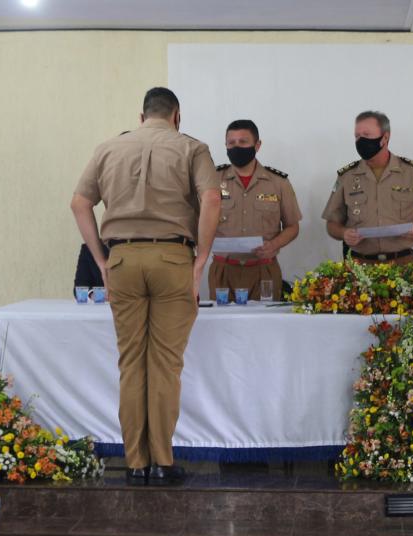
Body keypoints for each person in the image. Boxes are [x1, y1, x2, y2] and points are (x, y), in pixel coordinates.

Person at [70, 87, 221, 485]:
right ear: (177, 116)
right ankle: (162, 462)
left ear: (141, 117)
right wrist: (201, 258)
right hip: (173, 259)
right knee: (166, 366)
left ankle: (135, 464)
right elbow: (211, 199)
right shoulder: (193, 148)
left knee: (131, 364)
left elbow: (79, 203)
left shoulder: (109, 148)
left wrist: (101, 259)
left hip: (122, 258)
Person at [322, 111, 413, 265]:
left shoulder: (412, 173)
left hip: (403, 264)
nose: (360, 141)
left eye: (366, 135)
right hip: (360, 267)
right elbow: (332, 224)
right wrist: (344, 233)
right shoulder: (347, 176)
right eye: (357, 136)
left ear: (385, 137)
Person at [209, 120, 301, 301]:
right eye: (231, 143)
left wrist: (274, 245)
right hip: (224, 270)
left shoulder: (278, 182)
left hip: (264, 270)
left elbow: (292, 226)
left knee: (266, 327)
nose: (236, 147)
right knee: (222, 326)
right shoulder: (211, 180)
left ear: (257, 145)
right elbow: (198, 221)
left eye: (243, 142)